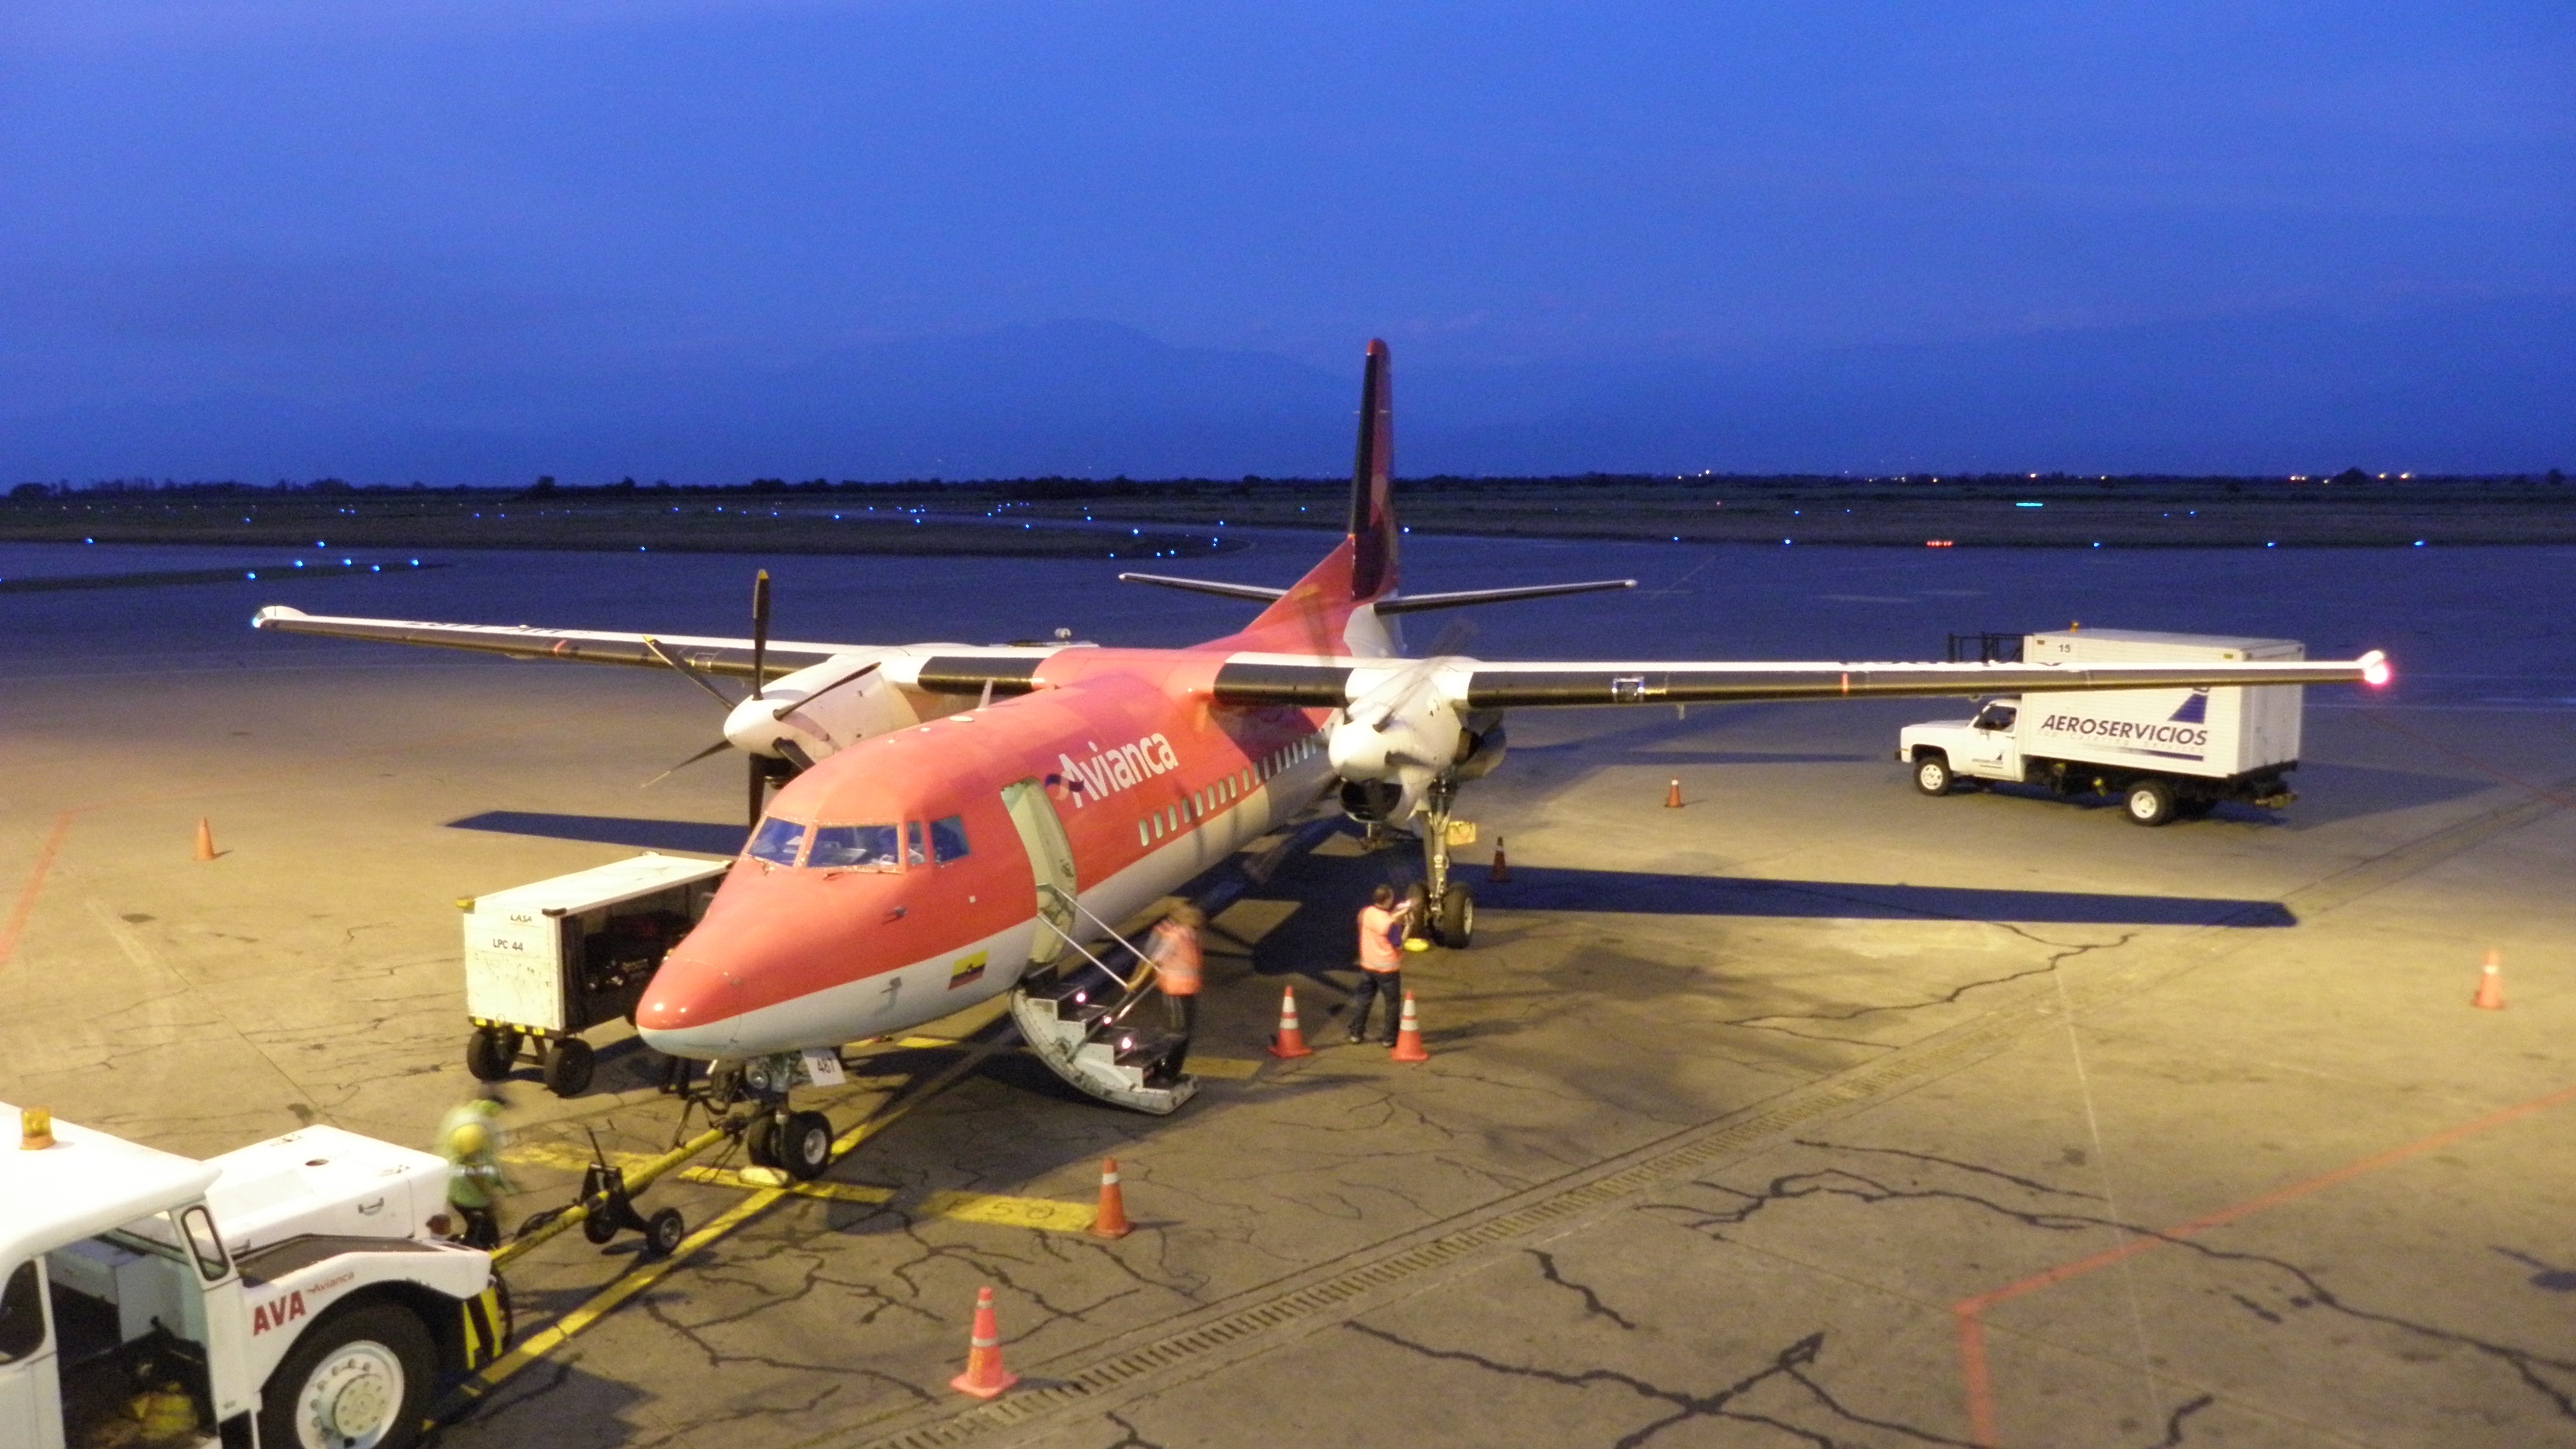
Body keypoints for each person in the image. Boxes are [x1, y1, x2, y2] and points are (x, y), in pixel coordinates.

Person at [436, 1091, 517, 1248]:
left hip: (457, 1188)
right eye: (496, 1112)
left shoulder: (464, 1114)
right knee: (490, 1241)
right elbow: (473, 1170)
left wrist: (500, 1180)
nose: (496, 1117)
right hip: (468, 1194)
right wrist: (489, 1196)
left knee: (476, 1230)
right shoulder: (472, 1131)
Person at [1346, 885, 1415, 1045]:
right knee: (1392, 1003)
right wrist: (1408, 927)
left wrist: (1395, 916)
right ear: (1388, 900)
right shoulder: (1389, 924)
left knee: (1364, 1000)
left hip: (1367, 966)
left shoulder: (1366, 913)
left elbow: (1378, 922)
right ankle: (1389, 1038)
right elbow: (1399, 944)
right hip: (1387, 970)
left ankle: (1356, 1034)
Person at [1143, 903, 1204, 1078]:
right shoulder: (1175, 937)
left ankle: (1171, 1071)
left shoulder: (1191, 936)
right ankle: (1150, 1053)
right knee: (1176, 1032)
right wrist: (1137, 980)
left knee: (1185, 1034)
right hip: (1174, 990)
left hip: (1189, 990)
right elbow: (1155, 959)